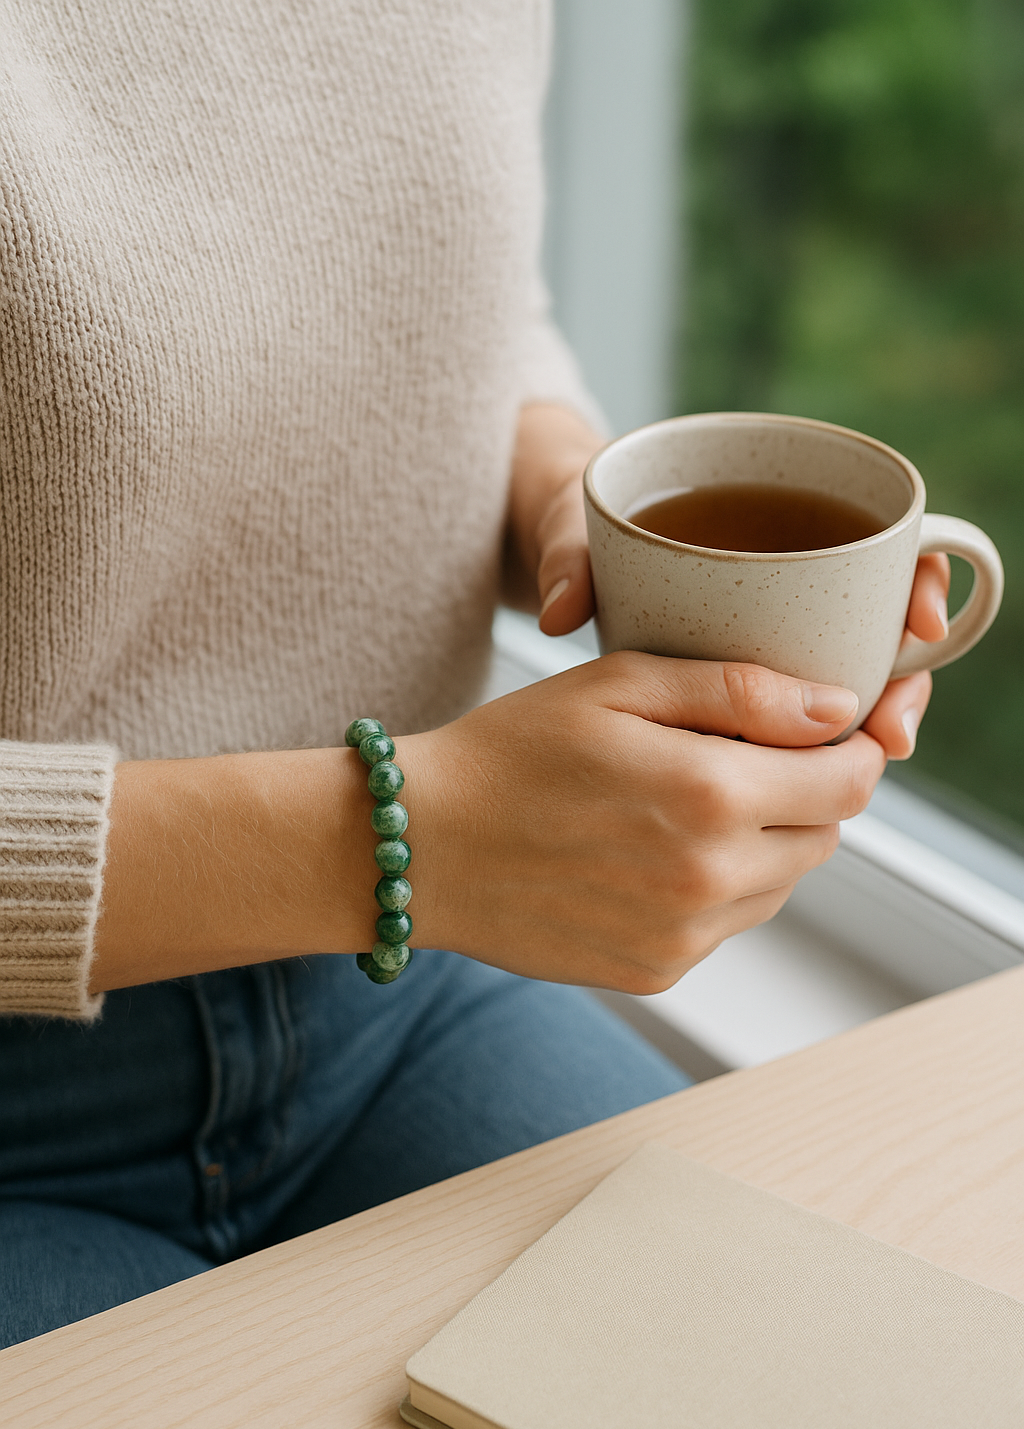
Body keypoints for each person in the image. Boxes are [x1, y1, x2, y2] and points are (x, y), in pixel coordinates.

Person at [0, 1, 947, 1349]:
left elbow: (457, 291)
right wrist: (402, 842)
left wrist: (577, 500)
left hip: (393, 998)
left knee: (795, 1375)